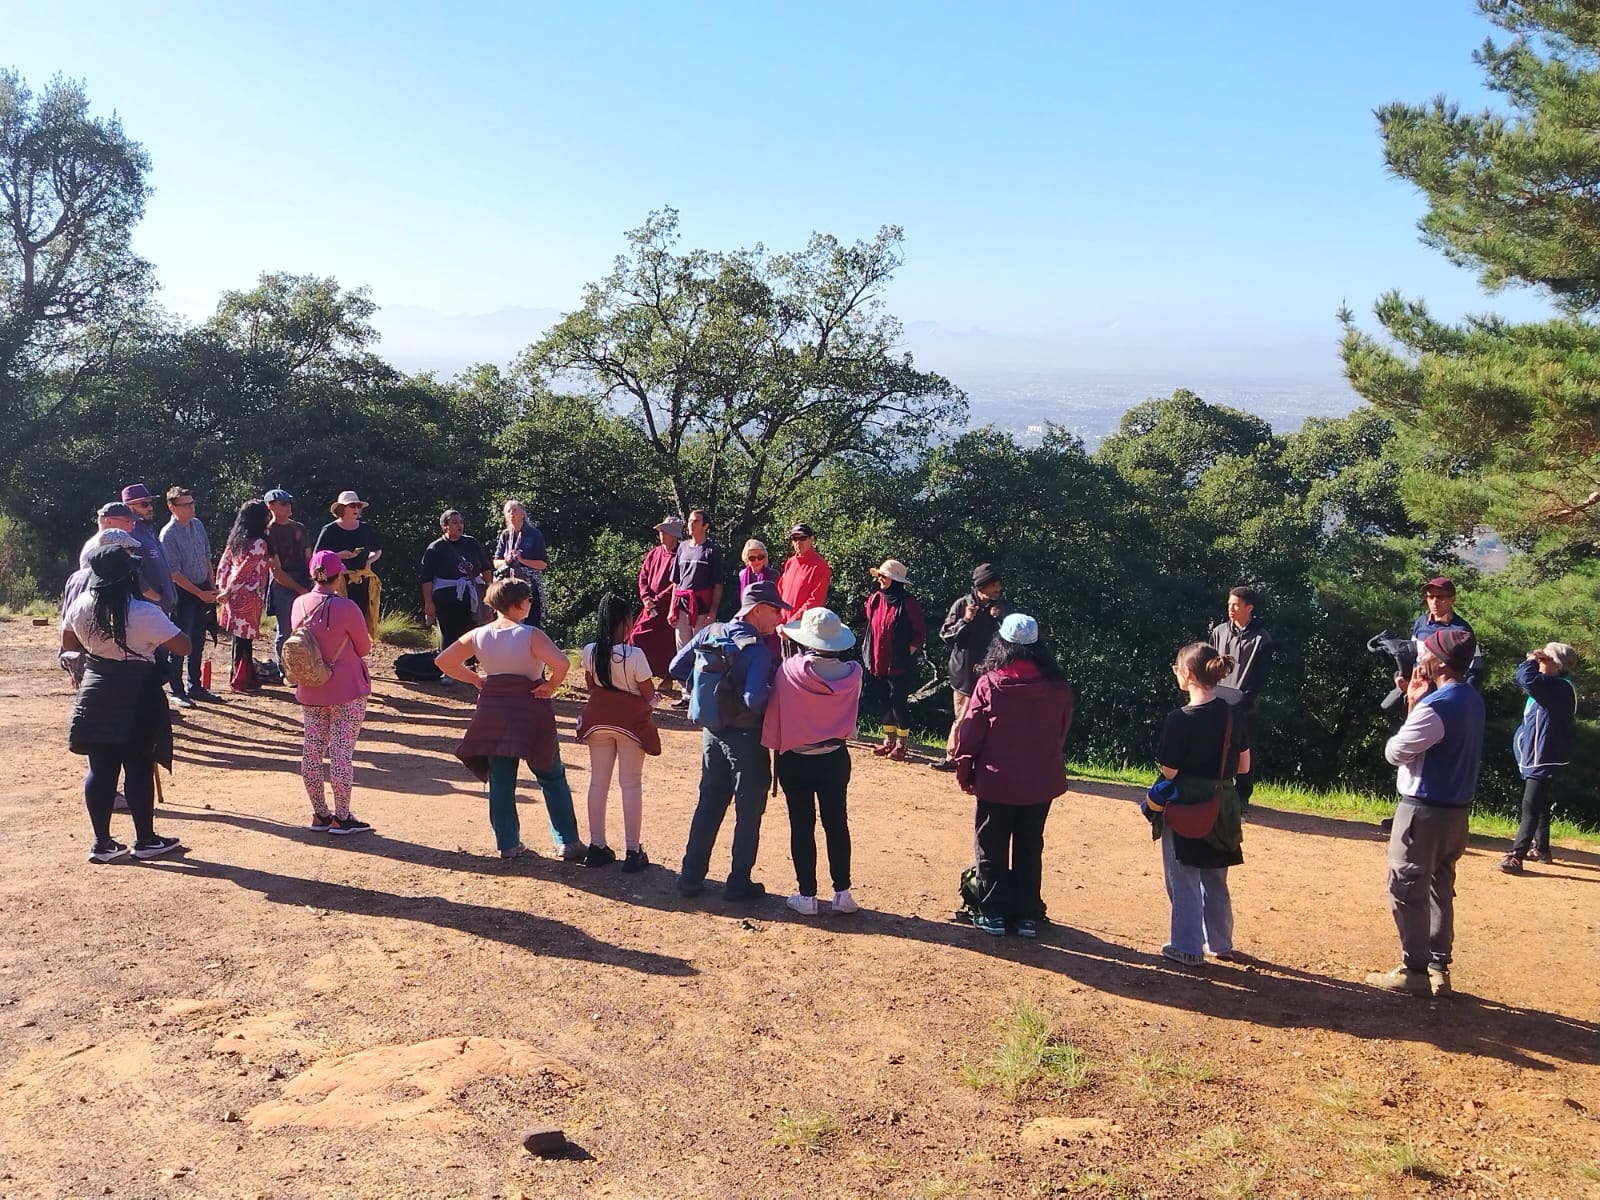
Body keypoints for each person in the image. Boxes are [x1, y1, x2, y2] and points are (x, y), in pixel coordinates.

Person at [1366, 627, 1485, 998]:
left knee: (1405, 888)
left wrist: (1415, 705)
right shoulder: (1471, 699)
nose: (1420, 658)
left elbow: (1396, 752)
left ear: (1441, 663)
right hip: (1457, 814)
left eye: (1426, 653)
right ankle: (1437, 968)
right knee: (1439, 888)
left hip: (1423, 811)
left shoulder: (1437, 706)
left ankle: (1414, 969)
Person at [438, 578, 586, 860]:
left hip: (493, 710)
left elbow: (444, 662)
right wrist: (551, 685)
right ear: (518, 603)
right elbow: (562, 663)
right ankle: (567, 841)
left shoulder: (479, 634)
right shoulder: (530, 634)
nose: (530, 603)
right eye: (528, 599)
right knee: (551, 774)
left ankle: (508, 844)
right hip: (530, 708)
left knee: (501, 780)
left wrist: (476, 679)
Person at [61, 544, 188, 863]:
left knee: (100, 769)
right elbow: (184, 646)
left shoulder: (82, 604)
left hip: (95, 689)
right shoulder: (142, 611)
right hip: (138, 692)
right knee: (139, 766)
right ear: (128, 577)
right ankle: (145, 840)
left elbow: (68, 641)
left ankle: (102, 843)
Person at [951, 614, 1074, 938]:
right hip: (1040, 781)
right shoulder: (1058, 688)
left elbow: (971, 734)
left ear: (1001, 644)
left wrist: (965, 771)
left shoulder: (990, 684)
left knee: (990, 846)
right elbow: (1060, 733)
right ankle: (1026, 916)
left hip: (996, 781)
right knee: (1030, 846)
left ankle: (992, 913)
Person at [670, 579, 789, 901]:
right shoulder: (757, 650)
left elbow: (675, 666)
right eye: (776, 610)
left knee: (709, 802)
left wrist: (705, 694)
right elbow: (753, 698)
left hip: (712, 733)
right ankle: (738, 883)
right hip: (746, 738)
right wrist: (776, 693)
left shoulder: (711, 631)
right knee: (748, 811)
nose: (780, 617)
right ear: (758, 610)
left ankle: (690, 877)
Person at [1147, 642, 1249, 967]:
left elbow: (1170, 772)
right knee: (1216, 876)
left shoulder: (1180, 719)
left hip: (1188, 803)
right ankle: (1220, 943)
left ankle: (1187, 947)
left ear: (1188, 673)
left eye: (1177, 668)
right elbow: (1244, 765)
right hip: (1225, 804)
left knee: (1184, 876)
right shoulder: (1233, 713)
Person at [762, 606, 863, 917]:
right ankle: (842, 892)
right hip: (834, 758)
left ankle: (807, 895)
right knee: (837, 823)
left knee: (802, 826)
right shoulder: (854, 674)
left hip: (796, 759)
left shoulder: (789, 670)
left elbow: (781, 698)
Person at [291, 549, 375, 835]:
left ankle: (320, 813)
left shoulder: (299, 604)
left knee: (312, 750)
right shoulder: (347, 607)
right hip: (347, 688)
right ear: (338, 576)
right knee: (341, 753)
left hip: (311, 686)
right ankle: (342, 816)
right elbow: (364, 648)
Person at [575, 592, 660, 872]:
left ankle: (596, 846)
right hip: (630, 724)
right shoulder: (634, 655)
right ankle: (633, 851)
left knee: (598, 783)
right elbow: (648, 694)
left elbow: (591, 687)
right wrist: (652, 703)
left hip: (597, 721)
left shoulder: (590, 651)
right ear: (625, 622)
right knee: (630, 784)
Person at [1500, 642, 1578, 874]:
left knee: (1531, 805)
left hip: (1543, 755)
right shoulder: (1555, 685)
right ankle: (1542, 849)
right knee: (1540, 801)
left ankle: (1516, 855)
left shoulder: (1558, 687)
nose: (1540, 660)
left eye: (1546, 658)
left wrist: (1530, 660)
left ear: (1558, 665)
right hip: (1541, 754)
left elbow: (1526, 679)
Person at [930, 563, 1008, 772]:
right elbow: (945, 635)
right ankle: (952, 757)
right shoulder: (963, 604)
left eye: (998, 584)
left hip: (991, 671)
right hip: (964, 671)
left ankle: (982, 760)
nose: (998, 588)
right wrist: (966, 620)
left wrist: (999, 619)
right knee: (964, 716)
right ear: (981, 586)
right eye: (993, 584)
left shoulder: (1000, 607)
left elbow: (1011, 638)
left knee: (989, 717)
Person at [1207, 585, 1271, 807]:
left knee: (1243, 748)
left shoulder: (1262, 638)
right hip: (1217, 699)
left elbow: (1260, 677)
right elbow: (1210, 666)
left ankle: (1242, 796)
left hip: (1245, 704)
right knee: (1212, 745)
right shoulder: (1219, 632)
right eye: (1229, 604)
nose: (1230, 609)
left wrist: (1244, 700)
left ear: (1249, 607)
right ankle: (1212, 789)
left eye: (1235, 605)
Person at [159, 486, 219, 707]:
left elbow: (206, 557)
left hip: (203, 589)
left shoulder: (198, 525)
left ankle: (196, 686)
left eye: (192, 503)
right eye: (185, 504)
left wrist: (212, 587)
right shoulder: (168, 534)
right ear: (172, 507)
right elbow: (174, 573)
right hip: (183, 593)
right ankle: (176, 690)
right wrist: (200, 593)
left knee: (198, 640)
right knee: (180, 642)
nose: (191, 508)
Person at [60, 529, 142, 688]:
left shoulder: (75, 577)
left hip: (77, 652)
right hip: (100, 658)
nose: (133, 554)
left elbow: (66, 618)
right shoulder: (109, 581)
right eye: (130, 550)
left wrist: (69, 656)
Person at [862, 558, 926, 761]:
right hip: (877, 661)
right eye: (880, 575)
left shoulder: (909, 603)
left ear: (895, 580)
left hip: (900, 665)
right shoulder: (875, 599)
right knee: (883, 702)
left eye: (884, 576)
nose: (880, 579)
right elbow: (869, 623)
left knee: (899, 703)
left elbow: (919, 633)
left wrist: (907, 653)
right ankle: (888, 740)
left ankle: (901, 744)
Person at [215, 499, 274, 692]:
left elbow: (224, 564)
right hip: (248, 597)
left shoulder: (236, 539)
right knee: (244, 640)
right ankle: (241, 680)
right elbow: (245, 570)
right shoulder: (259, 543)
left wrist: (223, 586)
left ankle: (239, 676)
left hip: (233, 595)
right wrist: (228, 590)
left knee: (239, 639)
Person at [628, 517, 685, 697]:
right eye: (661, 531)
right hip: (650, 607)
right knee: (636, 638)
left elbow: (677, 584)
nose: (661, 534)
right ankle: (637, 676)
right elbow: (643, 577)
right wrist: (646, 598)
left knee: (667, 646)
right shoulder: (654, 553)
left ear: (674, 535)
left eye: (665, 531)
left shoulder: (681, 556)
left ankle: (668, 677)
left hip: (668, 609)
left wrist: (658, 601)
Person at [314, 491, 383, 637]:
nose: (356, 509)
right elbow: (317, 557)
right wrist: (338, 556)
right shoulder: (329, 530)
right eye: (352, 505)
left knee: (360, 618)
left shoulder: (366, 529)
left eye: (358, 506)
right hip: (337, 581)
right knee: (338, 620)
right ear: (341, 509)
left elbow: (377, 550)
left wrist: (369, 561)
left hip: (362, 581)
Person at [421, 509, 491, 650]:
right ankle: (447, 663)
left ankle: (470, 662)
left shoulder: (471, 543)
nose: (459, 525)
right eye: (454, 522)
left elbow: (486, 568)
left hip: (472, 598)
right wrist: (428, 603)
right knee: (449, 636)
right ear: (445, 526)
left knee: (472, 635)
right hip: (447, 600)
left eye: (461, 522)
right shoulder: (435, 548)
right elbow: (426, 578)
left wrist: (490, 593)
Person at [1405, 576, 1484, 689]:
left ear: (1452, 599)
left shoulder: (1462, 631)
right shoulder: (1421, 623)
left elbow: (1475, 669)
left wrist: (1461, 695)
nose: (1434, 602)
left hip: (1446, 691)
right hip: (1419, 688)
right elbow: (1413, 656)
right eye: (1430, 597)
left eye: (1440, 597)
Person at [264, 488, 312, 670]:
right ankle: (284, 671)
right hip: (283, 587)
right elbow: (276, 571)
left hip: (304, 582)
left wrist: (314, 583)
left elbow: (310, 558)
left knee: (307, 630)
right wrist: (300, 589)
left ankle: (305, 668)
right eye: (283, 503)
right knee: (285, 631)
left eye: (289, 502)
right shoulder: (268, 533)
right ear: (271, 506)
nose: (288, 506)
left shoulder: (299, 528)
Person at [118, 483, 177, 613]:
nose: (150, 508)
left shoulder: (149, 531)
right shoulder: (130, 536)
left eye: (150, 503)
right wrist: (160, 599)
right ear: (129, 507)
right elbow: (136, 577)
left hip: (162, 609)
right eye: (144, 504)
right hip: (148, 609)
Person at [671, 508, 723, 651]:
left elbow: (717, 585)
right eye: (689, 521)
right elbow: (676, 581)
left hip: (702, 609)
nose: (691, 525)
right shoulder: (682, 548)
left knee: (700, 650)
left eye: (695, 521)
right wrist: (672, 609)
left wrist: (712, 612)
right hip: (682, 608)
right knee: (682, 651)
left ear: (705, 526)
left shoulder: (711, 550)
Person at [493, 499, 549, 627]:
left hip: (529, 587)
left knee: (530, 623)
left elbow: (542, 564)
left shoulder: (534, 535)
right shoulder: (505, 535)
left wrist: (522, 560)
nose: (511, 513)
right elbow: (496, 562)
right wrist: (506, 561)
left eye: (514, 510)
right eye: (508, 511)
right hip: (509, 587)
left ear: (522, 514)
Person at [777, 522, 831, 623]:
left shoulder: (820, 566)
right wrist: (778, 620)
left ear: (811, 539)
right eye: (795, 539)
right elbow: (780, 592)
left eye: (802, 538)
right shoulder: (790, 563)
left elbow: (816, 601)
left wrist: (792, 622)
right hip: (782, 626)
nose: (798, 542)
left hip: (803, 627)